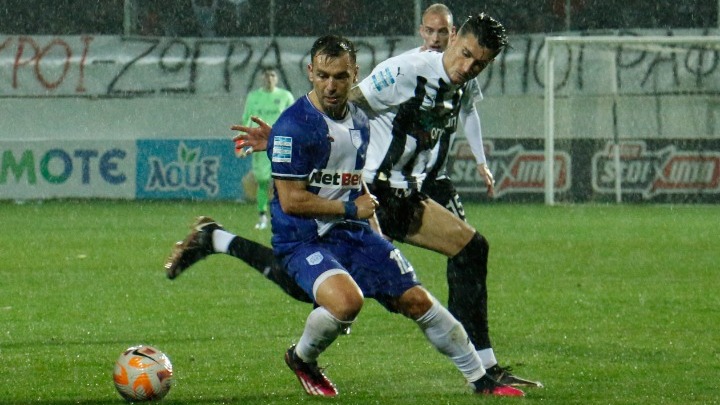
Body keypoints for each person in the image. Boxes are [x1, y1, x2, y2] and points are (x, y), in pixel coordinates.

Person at [167, 12, 541, 389]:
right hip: (374, 189)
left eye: (479, 63)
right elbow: (344, 103)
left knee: (462, 255)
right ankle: (220, 241)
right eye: (465, 54)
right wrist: (284, 138)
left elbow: (454, 116)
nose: (468, 66)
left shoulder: (463, 83)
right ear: (454, 38)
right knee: (326, 291)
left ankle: (484, 371)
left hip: (400, 192)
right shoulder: (406, 71)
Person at [238, 66, 295, 230]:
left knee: (282, 180)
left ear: (276, 79)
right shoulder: (254, 97)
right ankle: (262, 216)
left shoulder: (285, 96)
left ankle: (282, 216)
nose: (269, 78)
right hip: (260, 142)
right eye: (267, 75)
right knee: (262, 180)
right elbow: (246, 119)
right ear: (262, 78)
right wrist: (241, 144)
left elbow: (293, 119)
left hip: (281, 142)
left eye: (272, 75)